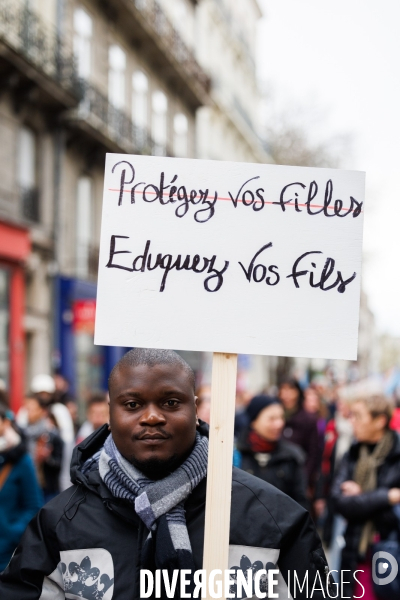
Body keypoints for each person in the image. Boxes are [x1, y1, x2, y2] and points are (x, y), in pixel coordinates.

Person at [0, 349, 331, 599]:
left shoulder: (273, 519)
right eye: (132, 405)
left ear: (195, 407)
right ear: (109, 412)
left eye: (171, 402)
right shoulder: (59, 523)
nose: (153, 417)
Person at [331, 394, 400, 598]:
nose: (352, 421)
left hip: (389, 550)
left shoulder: (396, 455)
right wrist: (386, 496)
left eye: (358, 416)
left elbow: (391, 517)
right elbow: (339, 502)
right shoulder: (352, 453)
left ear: (380, 421)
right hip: (354, 550)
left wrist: (362, 497)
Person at [235, 395, 309, 509]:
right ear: (254, 422)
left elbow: (301, 501)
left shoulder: (291, 456)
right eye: (271, 419)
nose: (279, 424)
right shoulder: (237, 454)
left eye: (281, 417)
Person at [0, 402, 43, 571]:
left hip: (6, 556)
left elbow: (34, 506)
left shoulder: (21, 460)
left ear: (6, 423)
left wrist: (11, 533)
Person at [279, 378, 320, 490]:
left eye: (290, 389)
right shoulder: (277, 416)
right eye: (283, 390)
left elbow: (313, 453)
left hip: (298, 477)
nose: (286, 394)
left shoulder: (308, 419)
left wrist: (304, 479)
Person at [24, 396, 64, 502]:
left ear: (42, 411)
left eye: (32, 409)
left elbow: (60, 465)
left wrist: (47, 458)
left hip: (47, 490)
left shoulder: (52, 435)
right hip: (26, 487)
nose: (28, 413)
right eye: (27, 409)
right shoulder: (22, 434)